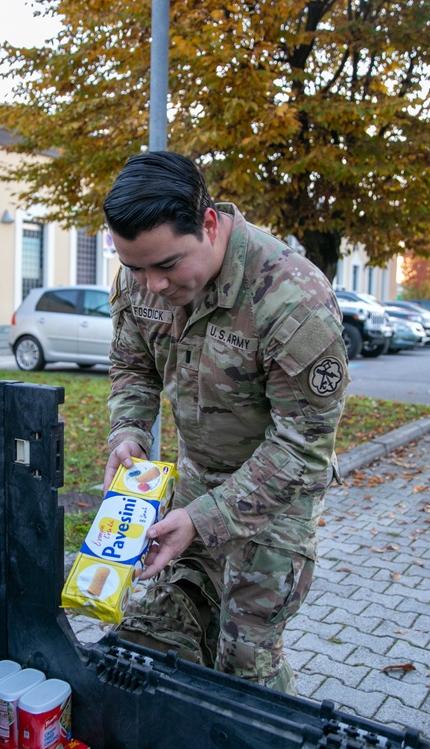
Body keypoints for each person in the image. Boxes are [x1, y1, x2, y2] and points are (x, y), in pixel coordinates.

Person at [102, 152, 348, 694]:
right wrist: (129, 432)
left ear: (208, 225)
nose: (152, 284)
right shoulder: (139, 279)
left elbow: (302, 446)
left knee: (245, 663)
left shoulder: (293, 298)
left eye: (166, 265)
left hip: (276, 501)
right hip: (195, 481)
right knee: (165, 634)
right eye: (134, 266)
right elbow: (133, 366)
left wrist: (204, 518)